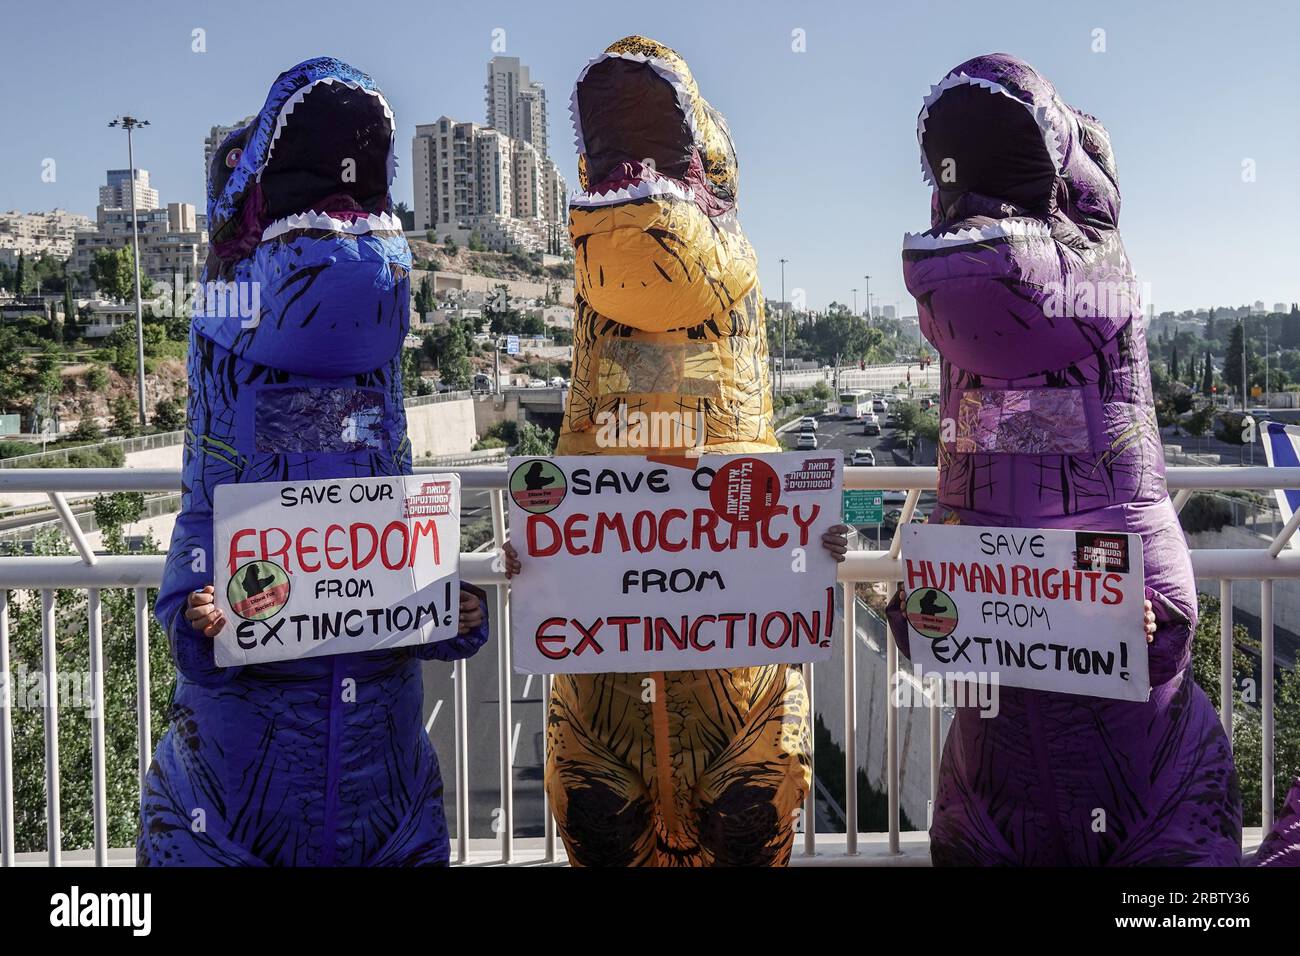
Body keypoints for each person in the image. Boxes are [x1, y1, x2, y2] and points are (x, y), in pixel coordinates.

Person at [501, 35, 847, 867]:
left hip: (741, 705)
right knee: (598, 822)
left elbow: (775, 534)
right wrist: (534, 561)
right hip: (602, 705)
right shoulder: (593, 294)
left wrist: (813, 545)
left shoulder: (735, 284)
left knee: (751, 809)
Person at [890, 53, 1241, 866]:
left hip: (1147, 807)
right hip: (991, 802)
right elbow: (937, 631)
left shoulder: (1101, 298)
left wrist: (1139, 619)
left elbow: (1162, 633)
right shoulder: (967, 399)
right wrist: (917, 608)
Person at [138, 57, 487, 867]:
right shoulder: (226, 385)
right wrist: (198, 624)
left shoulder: (381, 387)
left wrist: (453, 616)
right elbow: (193, 562)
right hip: (232, 809)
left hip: (388, 794)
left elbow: (404, 575)